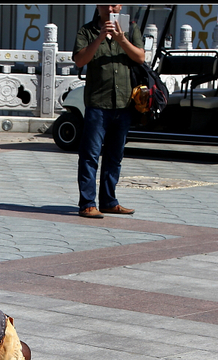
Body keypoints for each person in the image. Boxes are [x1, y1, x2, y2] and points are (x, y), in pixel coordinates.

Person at [73, 5, 144, 219]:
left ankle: (109, 201)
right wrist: (101, 37)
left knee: (115, 156)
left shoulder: (130, 29)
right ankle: (87, 203)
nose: (111, 9)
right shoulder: (87, 31)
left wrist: (121, 38)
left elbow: (140, 57)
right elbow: (79, 60)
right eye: (107, 4)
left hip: (123, 103)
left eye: (115, 4)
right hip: (98, 103)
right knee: (90, 155)